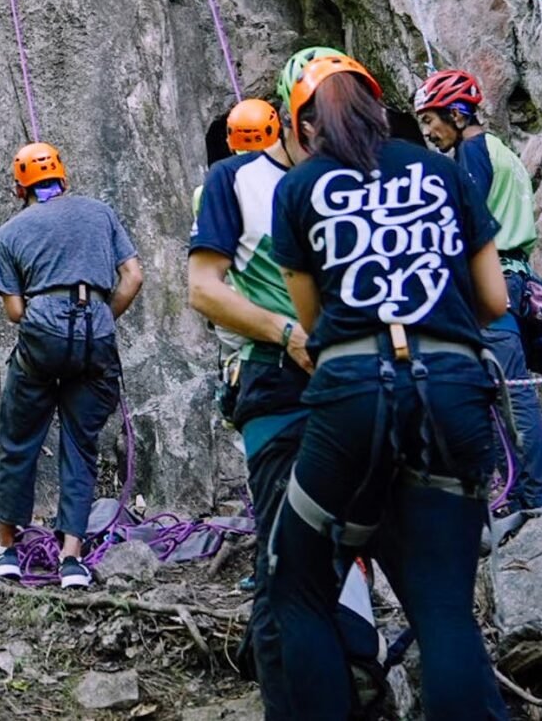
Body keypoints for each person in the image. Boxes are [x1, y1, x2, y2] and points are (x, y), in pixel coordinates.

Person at [268, 53, 510, 721]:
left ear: (302, 124)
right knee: (442, 608)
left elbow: (315, 326)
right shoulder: (442, 171)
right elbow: (491, 298)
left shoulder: (300, 189)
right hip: (454, 386)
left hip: (351, 389)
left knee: (299, 585)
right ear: (380, 108)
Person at [189, 96, 311, 717]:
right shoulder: (235, 185)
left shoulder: (224, 185)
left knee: (285, 545)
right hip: (274, 365)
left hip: (262, 364)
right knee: (292, 543)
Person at [0, 142, 143, 588]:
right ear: (64, 178)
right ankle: (71, 559)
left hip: (42, 336)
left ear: (20, 189)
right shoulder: (99, 212)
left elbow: (15, 312)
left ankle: (7, 550)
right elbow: (133, 276)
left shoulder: (10, 234)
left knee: (20, 440)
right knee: (81, 443)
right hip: (96, 332)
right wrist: (100, 318)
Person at [414, 68, 542, 517]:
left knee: (510, 395)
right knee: (504, 392)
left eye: (431, 120)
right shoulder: (500, 151)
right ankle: (523, 494)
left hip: (489, 281)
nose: (427, 132)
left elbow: (462, 226)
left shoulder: (471, 155)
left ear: (457, 115)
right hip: (513, 277)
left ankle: (537, 499)